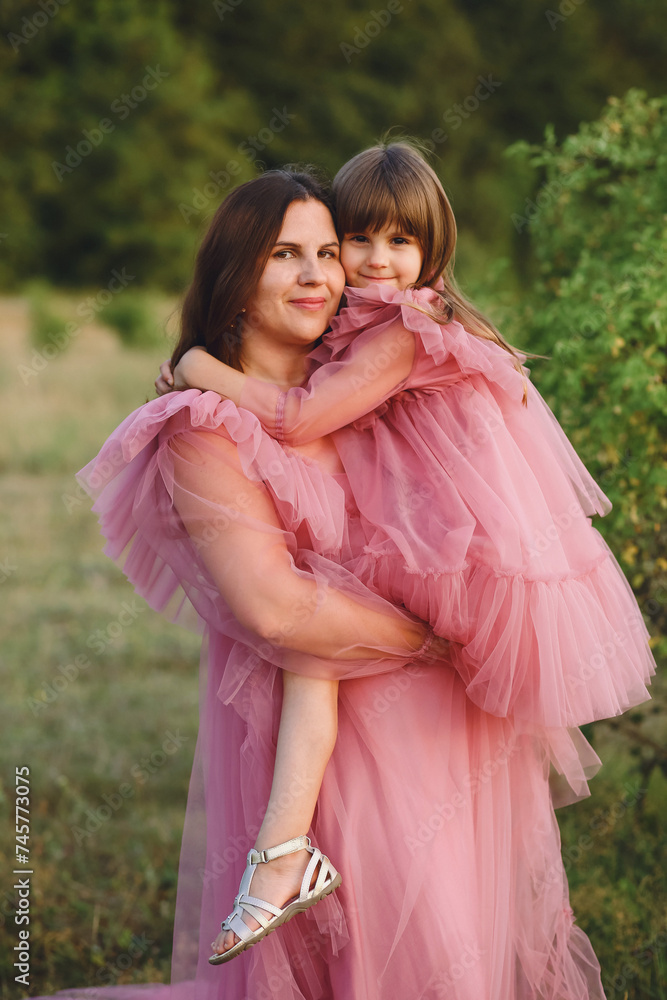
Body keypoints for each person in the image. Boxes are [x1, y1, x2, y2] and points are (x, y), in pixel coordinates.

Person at [56, 156, 642, 1000]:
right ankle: (284, 855)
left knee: (458, 955)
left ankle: (286, 858)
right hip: (379, 713)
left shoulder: (375, 360)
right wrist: (434, 638)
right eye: (290, 253)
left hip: (447, 712)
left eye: (325, 251)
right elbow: (277, 610)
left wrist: (197, 363)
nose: (330, 271)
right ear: (235, 276)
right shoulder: (211, 428)